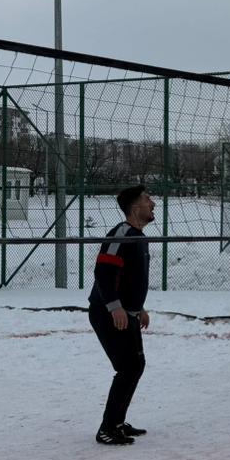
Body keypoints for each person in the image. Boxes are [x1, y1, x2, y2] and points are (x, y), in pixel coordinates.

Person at [87, 184, 155, 446]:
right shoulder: (121, 234)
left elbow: (129, 279)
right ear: (135, 206)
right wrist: (114, 306)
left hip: (127, 313)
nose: (153, 203)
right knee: (128, 367)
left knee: (134, 366)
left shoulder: (138, 236)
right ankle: (107, 428)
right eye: (148, 199)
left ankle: (117, 421)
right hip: (107, 312)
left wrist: (139, 309)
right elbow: (103, 272)